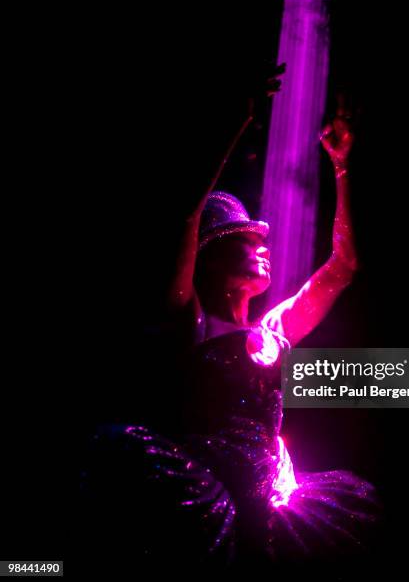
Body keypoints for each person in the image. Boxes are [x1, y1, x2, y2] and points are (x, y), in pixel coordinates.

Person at [80, 72, 380, 573]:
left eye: (263, 241)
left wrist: (345, 169)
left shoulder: (273, 330)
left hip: (271, 496)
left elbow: (344, 267)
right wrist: (235, 122)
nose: (264, 248)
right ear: (212, 258)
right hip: (203, 491)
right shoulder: (189, 319)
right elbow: (185, 216)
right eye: (248, 241)